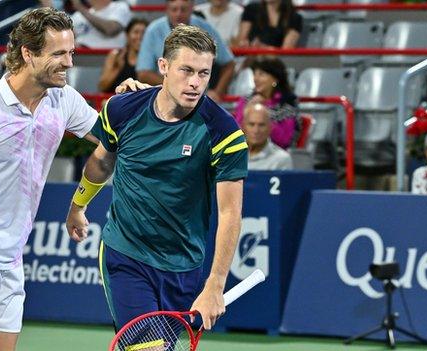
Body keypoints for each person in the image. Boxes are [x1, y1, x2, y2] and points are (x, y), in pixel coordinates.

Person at [0, 8, 147, 351]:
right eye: (58, 54)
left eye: (71, 53)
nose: (68, 63)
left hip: (11, 257)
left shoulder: (63, 99)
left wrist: (129, 103)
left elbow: (111, 139)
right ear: (28, 53)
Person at [66, 25, 248, 334]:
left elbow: (230, 212)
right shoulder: (122, 109)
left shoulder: (224, 132)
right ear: (163, 66)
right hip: (127, 254)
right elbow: (101, 162)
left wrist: (215, 285)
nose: (195, 83)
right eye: (186, 70)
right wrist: (78, 205)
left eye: (204, 73)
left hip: (184, 265)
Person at [136, 0, 236, 101]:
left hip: (199, 98)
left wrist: (217, 93)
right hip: (163, 96)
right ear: (167, 9)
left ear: (191, 8)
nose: (178, 14)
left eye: (183, 9)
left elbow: (229, 64)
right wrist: (177, 87)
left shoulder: (205, 27)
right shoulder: (153, 30)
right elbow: (143, 73)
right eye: (174, 9)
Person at [234, 56, 298, 149]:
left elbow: (284, 140)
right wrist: (248, 109)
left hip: (275, 155)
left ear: (275, 79)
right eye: (255, 74)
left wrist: (262, 113)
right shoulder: (246, 101)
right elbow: (235, 132)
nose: (256, 79)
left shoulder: (286, 106)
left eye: (261, 74)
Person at [98, 18, 148, 93]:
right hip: (114, 100)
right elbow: (102, 86)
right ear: (127, 35)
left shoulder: (152, 60)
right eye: (136, 32)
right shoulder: (115, 55)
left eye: (144, 33)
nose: (140, 37)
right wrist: (117, 67)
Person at [242, 102, 292, 170]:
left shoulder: (282, 159)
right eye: (251, 124)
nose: (256, 130)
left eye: (261, 125)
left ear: (270, 127)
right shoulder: (230, 155)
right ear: (243, 127)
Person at [235, 0, 302, 49]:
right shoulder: (251, 9)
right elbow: (241, 40)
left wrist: (264, 48)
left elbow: (286, 50)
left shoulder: (295, 18)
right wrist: (244, 44)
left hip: (274, 62)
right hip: (249, 58)